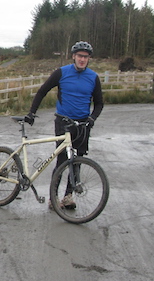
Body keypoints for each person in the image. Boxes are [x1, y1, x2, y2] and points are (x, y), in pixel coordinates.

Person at [24, 41, 104, 209]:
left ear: (89, 59)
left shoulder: (93, 77)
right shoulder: (61, 73)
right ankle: (53, 197)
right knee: (61, 160)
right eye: (80, 56)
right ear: (73, 56)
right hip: (63, 122)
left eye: (86, 57)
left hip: (82, 125)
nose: (82, 59)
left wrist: (92, 118)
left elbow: (99, 104)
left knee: (77, 162)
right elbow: (42, 91)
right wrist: (32, 112)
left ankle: (68, 197)